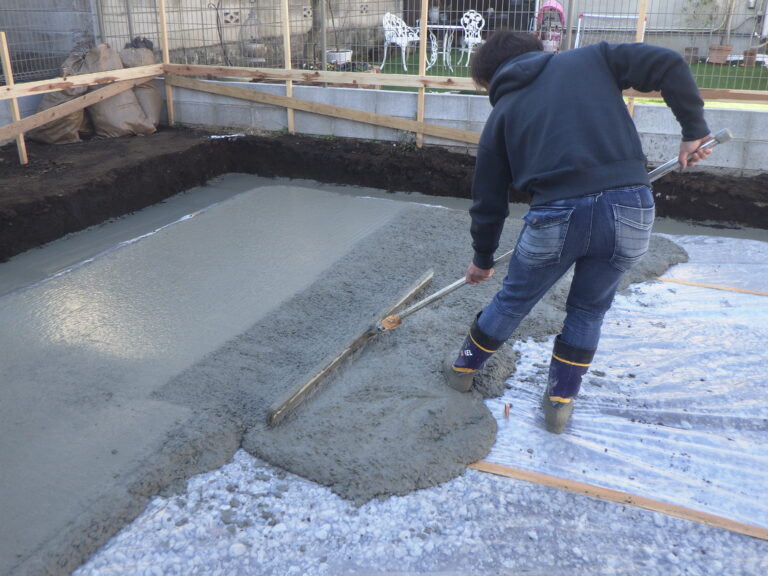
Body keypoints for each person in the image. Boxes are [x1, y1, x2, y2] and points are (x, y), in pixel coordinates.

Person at [443, 31, 713, 433]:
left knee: (514, 300)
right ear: (537, 51)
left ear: (490, 78)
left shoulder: (501, 115)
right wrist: (694, 129)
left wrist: (483, 259)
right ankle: (559, 403)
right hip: (629, 208)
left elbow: (488, 202)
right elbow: (668, 64)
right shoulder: (592, 60)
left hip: (556, 213)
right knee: (588, 310)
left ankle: (462, 370)